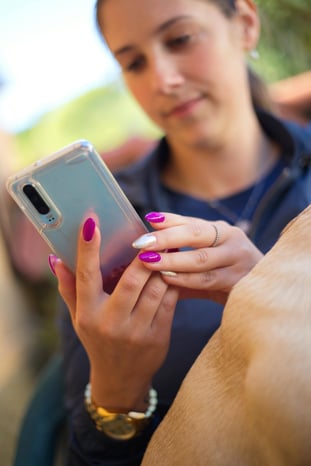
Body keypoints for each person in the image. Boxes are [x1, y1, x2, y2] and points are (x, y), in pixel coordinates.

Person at [50, 0, 311, 464]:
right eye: (133, 62)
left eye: (180, 39)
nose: (162, 81)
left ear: (246, 25)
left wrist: (271, 294)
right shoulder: (106, 228)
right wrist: (117, 389)